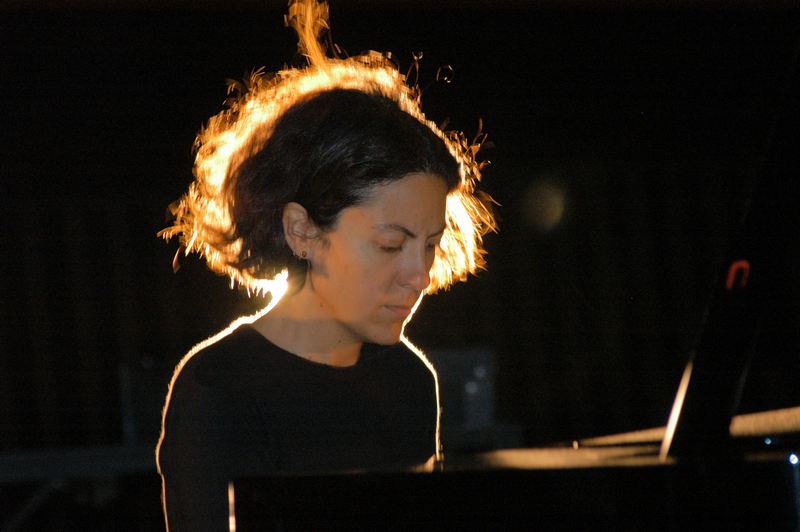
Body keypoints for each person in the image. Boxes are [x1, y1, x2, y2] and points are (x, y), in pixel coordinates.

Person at [155, 1, 495, 530]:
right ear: (303, 231)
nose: (420, 275)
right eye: (390, 244)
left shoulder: (408, 378)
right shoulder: (220, 387)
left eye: (430, 244)